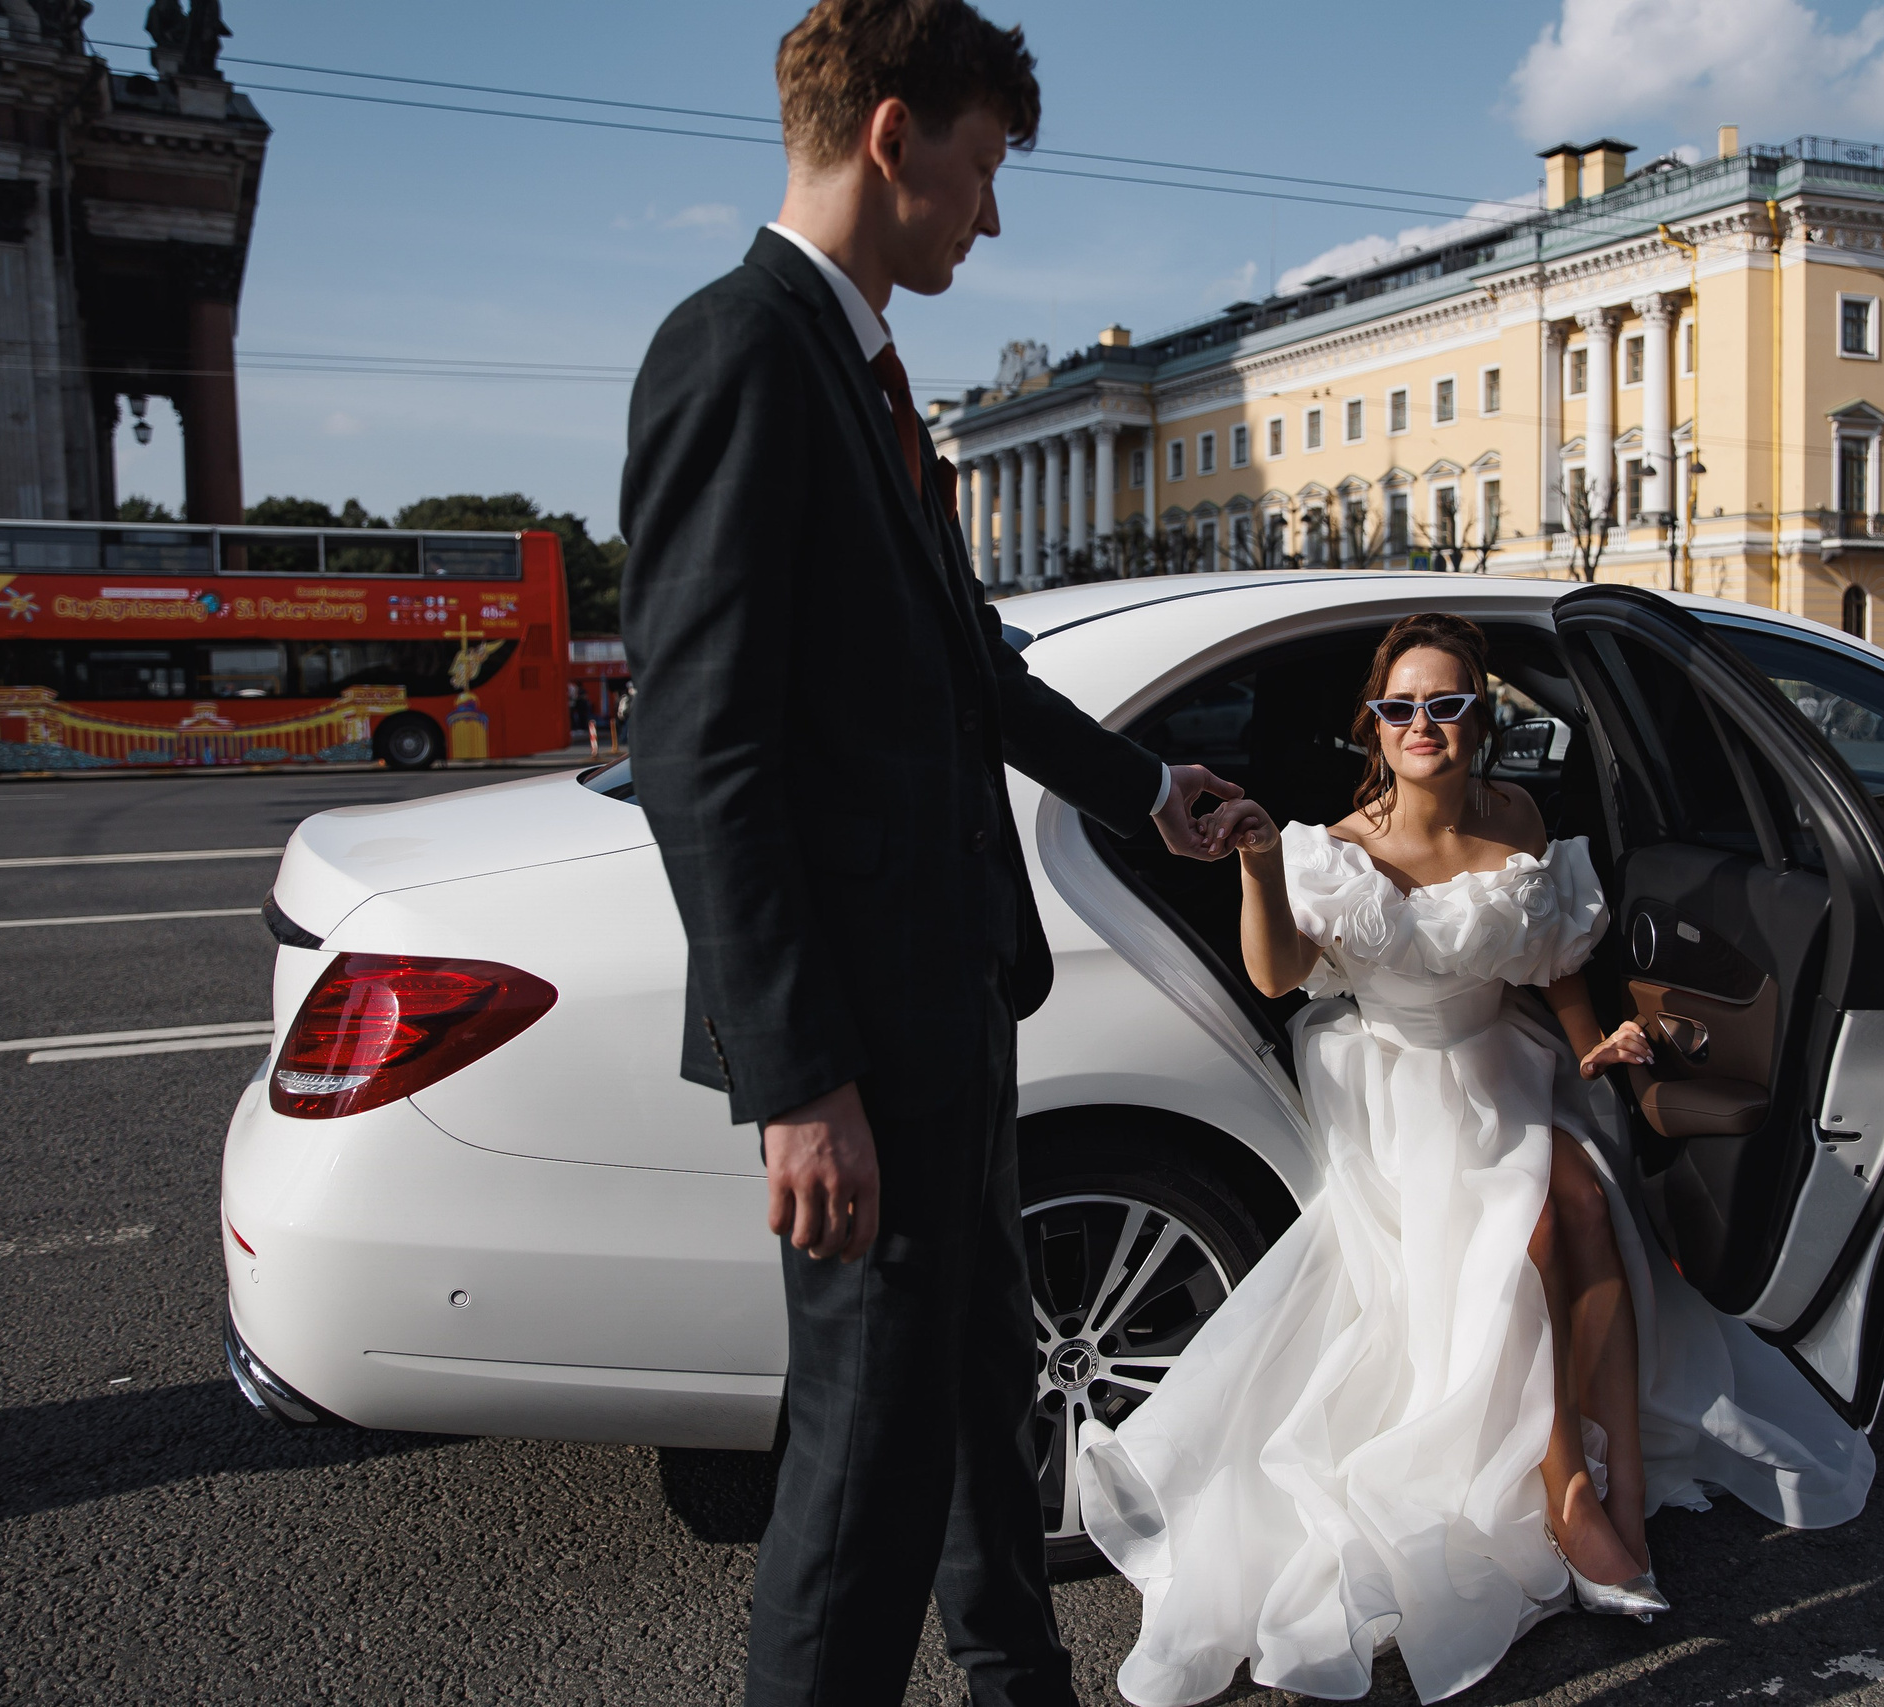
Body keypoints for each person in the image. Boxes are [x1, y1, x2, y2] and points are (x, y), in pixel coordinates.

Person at [616, 6, 1239, 1705]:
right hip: (860, 1049)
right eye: (979, 171)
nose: (991, 216)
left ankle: (1015, 1680)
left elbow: (966, 664)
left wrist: (1146, 786)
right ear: (894, 139)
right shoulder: (739, 350)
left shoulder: (867, 377)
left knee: (981, 1391)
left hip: (952, 1006)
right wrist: (801, 1081)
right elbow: (702, 749)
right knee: (860, 1477)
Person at [1077, 614, 1876, 1706]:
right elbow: (1274, 978)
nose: (1422, 726)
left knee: (1587, 1203)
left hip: (1502, 1059)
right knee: (1534, 1223)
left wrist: (1602, 1043)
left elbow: (1550, 968)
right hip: (1395, 1079)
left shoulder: (1518, 815)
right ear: (1374, 721)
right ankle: (1565, 1493)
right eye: (1399, 707)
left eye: (1445, 704)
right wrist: (1260, 859)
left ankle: (1620, 1490)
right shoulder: (1338, 845)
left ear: (1478, 720)